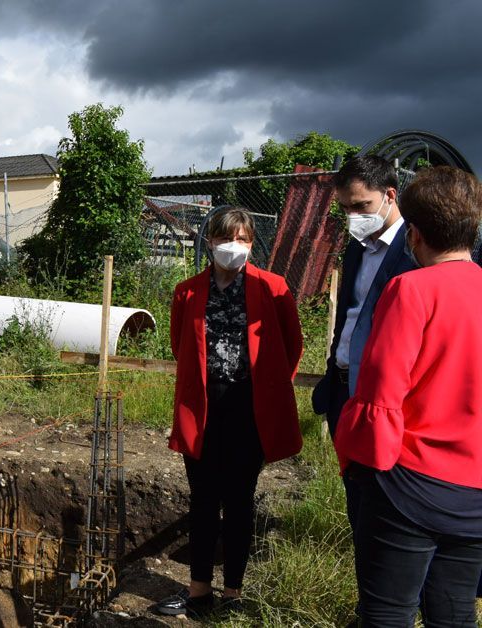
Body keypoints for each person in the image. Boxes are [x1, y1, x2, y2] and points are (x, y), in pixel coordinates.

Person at [335, 166, 482, 626]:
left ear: (414, 234)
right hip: (475, 492)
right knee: (455, 613)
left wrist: (361, 466)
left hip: (409, 484)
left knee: (387, 613)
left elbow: (380, 395)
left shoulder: (411, 289)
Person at [153, 206, 303, 617]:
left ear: (252, 244)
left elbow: (292, 345)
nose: (233, 247)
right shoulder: (187, 291)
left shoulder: (273, 288)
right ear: (210, 242)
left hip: (250, 408)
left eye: (242, 239)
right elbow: (179, 344)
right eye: (225, 239)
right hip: (201, 406)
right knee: (202, 499)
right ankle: (198, 592)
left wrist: (269, 385)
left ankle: (233, 594)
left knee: (239, 500)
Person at [312, 155, 415, 531]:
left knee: (387, 509)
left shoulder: (415, 250)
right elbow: (349, 317)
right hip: (344, 393)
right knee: (356, 503)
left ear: (390, 195)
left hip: (385, 400)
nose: (353, 216)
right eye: (344, 208)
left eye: (361, 206)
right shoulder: (357, 247)